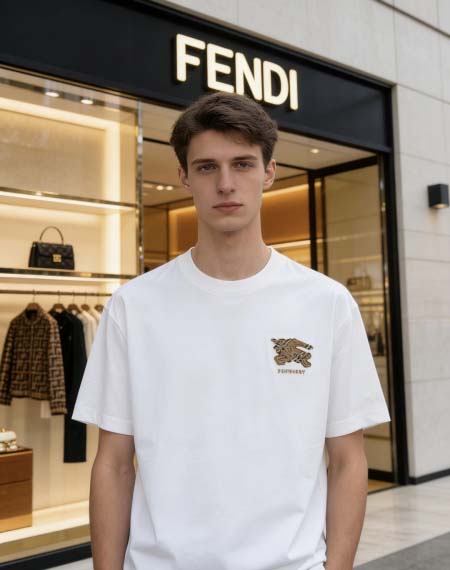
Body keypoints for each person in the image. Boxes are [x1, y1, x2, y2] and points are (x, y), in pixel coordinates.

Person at [72, 91, 391, 570]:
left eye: (242, 164)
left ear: (269, 172)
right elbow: (114, 464)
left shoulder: (327, 304)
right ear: (184, 177)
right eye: (207, 167)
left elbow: (347, 460)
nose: (225, 184)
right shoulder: (133, 307)